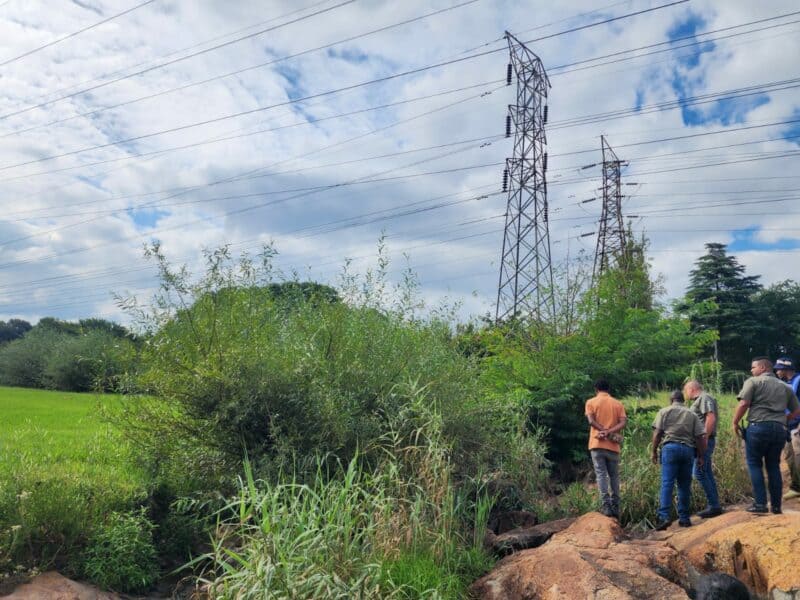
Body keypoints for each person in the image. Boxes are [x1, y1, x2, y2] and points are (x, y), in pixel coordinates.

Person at [733, 357, 800, 514]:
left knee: (754, 463)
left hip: (758, 427)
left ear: (762, 367)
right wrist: (784, 419)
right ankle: (776, 506)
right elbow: (797, 410)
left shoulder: (753, 382)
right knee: (773, 466)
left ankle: (760, 504)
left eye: (753, 367)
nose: (751, 370)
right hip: (780, 430)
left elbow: (743, 403)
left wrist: (735, 422)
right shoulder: (785, 386)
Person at [651, 390, 706, 529]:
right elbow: (699, 437)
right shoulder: (692, 414)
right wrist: (701, 456)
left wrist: (654, 451)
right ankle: (684, 518)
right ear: (683, 400)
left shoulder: (664, 411)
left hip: (670, 448)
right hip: (688, 450)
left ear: (671, 400)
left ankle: (664, 517)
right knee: (684, 485)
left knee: (667, 483)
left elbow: (657, 433)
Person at [585, 379, 627, 518]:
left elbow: (591, 421)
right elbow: (623, 422)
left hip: (597, 444)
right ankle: (616, 507)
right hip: (613, 446)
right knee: (614, 476)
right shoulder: (617, 403)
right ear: (608, 389)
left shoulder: (591, 402)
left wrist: (603, 431)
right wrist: (609, 432)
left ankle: (606, 506)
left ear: (596, 389)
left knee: (601, 475)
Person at [684, 380, 722, 518]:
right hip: (702, 441)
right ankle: (715, 504)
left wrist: (704, 438)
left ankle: (714, 506)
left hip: (704, 441)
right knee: (706, 471)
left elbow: (710, 418)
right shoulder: (701, 399)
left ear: (692, 389)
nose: (685, 393)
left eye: (686, 390)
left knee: (699, 472)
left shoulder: (704, 398)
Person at [774, 357, 800, 500]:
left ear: (786, 369)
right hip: (788, 425)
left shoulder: (799, 380)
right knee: (790, 456)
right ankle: (796, 487)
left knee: (798, 455)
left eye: (778, 369)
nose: (777, 371)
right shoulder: (786, 383)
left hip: (798, 424)